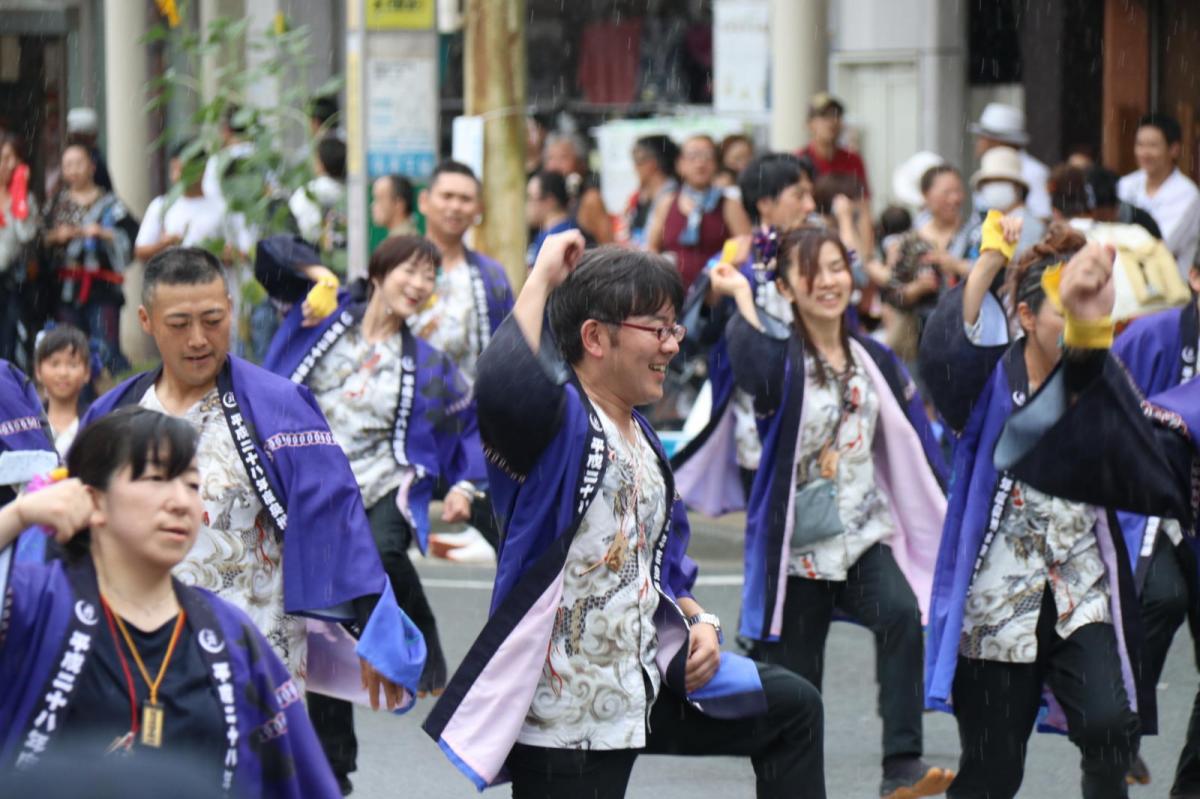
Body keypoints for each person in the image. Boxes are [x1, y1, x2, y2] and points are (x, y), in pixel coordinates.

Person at [424, 232, 826, 797]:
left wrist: (700, 622)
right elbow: (504, 385)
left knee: (793, 709)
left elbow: (663, 563)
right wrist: (541, 276)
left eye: (674, 329)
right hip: (570, 712)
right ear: (594, 337)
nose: (671, 347)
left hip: (649, 681)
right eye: (657, 330)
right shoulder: (558, 422)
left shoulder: (644, 437)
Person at [79, 247, 424, 796]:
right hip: (134, 661)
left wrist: (373, 625)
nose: (199, 339)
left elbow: (335, 514)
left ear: (231, 311)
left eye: (213, 320)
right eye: (180, 324)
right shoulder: (111, 418)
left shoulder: (280, 405)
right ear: (146, 323)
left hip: (253, 661)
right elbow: (76, 534)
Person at [703, 227, 951, 799]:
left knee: (900, 614)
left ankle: (902, 764)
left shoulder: (875, 358)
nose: (830, 282)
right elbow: (749, 363)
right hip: (798, 552)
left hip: (864, 534)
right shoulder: (780, 359)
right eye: (813, 272)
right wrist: (741, 298)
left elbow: (913, 438)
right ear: (787, 287)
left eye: (839, 267)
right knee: (797, 692)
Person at [0, 408, 342, 795]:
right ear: (92, 500)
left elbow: (300, 780)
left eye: (192, 485)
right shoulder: (32, 603)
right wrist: (19, 514)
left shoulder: (230, 636)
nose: (181, 502)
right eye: (157, 479)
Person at [919, 216, 1145, 799]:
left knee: (1110, 726)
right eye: (1063, 311)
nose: (1078, 325)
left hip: (1078, 586)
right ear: (1024, 318)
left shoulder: (1097, 376)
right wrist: (991, 259)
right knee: (994, 772)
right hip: (997, 598)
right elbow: (952, 350)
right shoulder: (990, 380)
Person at [256, 233, 482, 786]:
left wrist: (467, 487)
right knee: (319, 617)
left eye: (430, 277)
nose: (420, 284)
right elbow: (271, 251)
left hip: (383, 485)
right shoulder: (320, 315)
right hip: (305, 487)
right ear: (378, 272)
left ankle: (416, 629)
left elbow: (468, 427)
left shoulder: (426, 363)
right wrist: (319, 275)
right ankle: (326, 761)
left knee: (380, 551)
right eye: (410, 270)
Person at [982, 249, 1199, 799]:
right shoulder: (1152, 336)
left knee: (1107, 723)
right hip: (1133, 515)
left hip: (1141, 536)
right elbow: (1097, 391)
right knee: (1159, 599)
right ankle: (1124, 717)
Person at [1104, 260, 1200, 790]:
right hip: (1153, 510)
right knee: (1161, 596)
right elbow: (1105, 412)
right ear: (1194, 277)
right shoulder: (1153, 336)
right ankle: (1123, 733)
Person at [409, 160, 514, 381]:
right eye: (447, 196)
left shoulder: (492, 275)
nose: (455, 206)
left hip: (472, 407)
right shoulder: (399, 267)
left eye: (465, 199)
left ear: (478, 209)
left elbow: (508, 345)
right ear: (424, 202)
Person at [43, 144, 137, 376]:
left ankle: (116, 400)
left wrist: (105, 233)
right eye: (67, 165)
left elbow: (132, 236)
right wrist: (56, 236)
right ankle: (79, 405)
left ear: (92, 167)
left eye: (78, 163)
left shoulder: (111, 204)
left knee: (107, 349)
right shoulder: (55, 204)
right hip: (66, 290)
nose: (73, 169)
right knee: (69, 350)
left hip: (102, 288)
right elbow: (39, 239)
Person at [649, 134, 752, 290]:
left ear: (716, 163)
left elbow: (745, 246)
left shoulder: (729, 204)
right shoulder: (668, 202)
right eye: (692, 156)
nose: (700, 163)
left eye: (707, 156)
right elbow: (652, 247)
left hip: (717, 296)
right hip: (674, 293)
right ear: (680, 164)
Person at [1117, 113, 1200, 277]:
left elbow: (1161, 246)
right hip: (1126, 284)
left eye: (1153, 146)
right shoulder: (1126, 184)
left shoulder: (1187, 194)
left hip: (1170, 294)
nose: (1144, 153)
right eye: (1140, 145)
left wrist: (1121, 242)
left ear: (1174, 149)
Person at [134, 142, 228, 263]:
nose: (176, 175)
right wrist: (165, 245)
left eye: (181, 168)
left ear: (201, 169)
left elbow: (240, 252)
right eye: (173, 169)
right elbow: (141, 252)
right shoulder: (162, 205)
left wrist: (212, 252)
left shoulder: (221, 207)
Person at [969, 102, 1052, 220]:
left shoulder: (1034, 172)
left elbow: (1043, 216)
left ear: (997, 141)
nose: (978, 143)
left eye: (982, 137)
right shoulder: (987, 166)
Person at [0, 133, 40, 370]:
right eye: (3, 158)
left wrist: (18, 199)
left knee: (9, 342)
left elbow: (26, 235)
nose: (9, 165)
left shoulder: (25, 198)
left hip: (11, 282)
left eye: (13, 158)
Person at [968, 146, 1045, 256]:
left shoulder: (1028, 224)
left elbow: (1013, 265)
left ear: (1017, 187)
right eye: (988, 183)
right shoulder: (986, 221)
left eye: (999, 181)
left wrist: (957, 265)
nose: (993, 187)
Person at [288, 137, 348, 277]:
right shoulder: (352, 194)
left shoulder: (307, 193)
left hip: (313, 262)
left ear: (321, 163)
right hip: (345, 261)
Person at [542, 131, 614, 245]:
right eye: (550, 158)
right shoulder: (546, 201)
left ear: (580, 163)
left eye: (563, 158)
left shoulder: (590, 199)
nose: (555, 165)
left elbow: (610, 246)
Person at [33, 325, 90, 459]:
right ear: (38, 371)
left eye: (72, 364)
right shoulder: (28, 425)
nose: (63, 373)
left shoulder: (95, 423)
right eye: (54, 364)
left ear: (87, 372)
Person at [623, 134, 679, 248]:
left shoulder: (672, 196)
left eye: (638, 161)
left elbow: (652, 243)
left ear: (653, 163)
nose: (635, 168)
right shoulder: (639, 197)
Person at [526, 170, 581, 268]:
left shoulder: (559, 238)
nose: (526, 205)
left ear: (549, 201)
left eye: (529, 198)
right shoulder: (547, 233)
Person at [370, 174, 417, 238]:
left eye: (379, 199)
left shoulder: (402, 242)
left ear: (399, 204)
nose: (372, 205)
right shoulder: (410, 237)